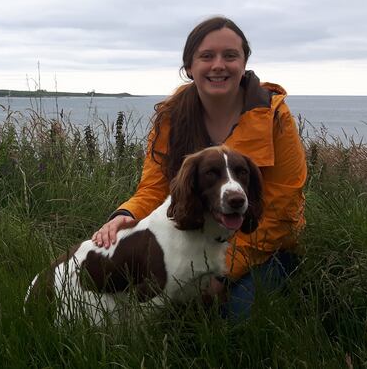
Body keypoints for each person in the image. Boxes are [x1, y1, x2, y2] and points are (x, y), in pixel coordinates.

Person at [91, 16, 307, 319]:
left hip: (263, 247)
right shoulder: (171, 116)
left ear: (244, 63)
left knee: (235, 318)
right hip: (196, 238)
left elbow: (282, 208)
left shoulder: (274, 116)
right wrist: (125, 214)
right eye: (207, 56)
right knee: (148, 307)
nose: (218, 65)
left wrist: (222, 271)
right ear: (189, 67)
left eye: (230, 55)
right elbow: (155, 188)